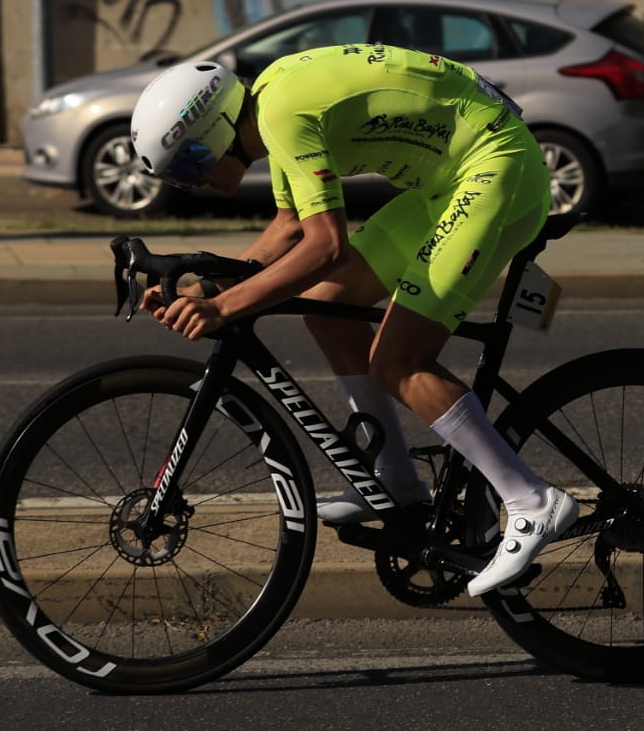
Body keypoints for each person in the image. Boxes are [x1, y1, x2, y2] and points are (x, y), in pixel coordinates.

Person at [128, 44, 577, 597]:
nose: (193, 182)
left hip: (495, 169)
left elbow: (326, 246)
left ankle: (532, 499)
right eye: (180, 177)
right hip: (448, 183)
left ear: (217, 129)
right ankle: (394, 478)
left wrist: (224, 308)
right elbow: (289, 229)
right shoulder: (270, 105)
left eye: (190, 164)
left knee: (399, 362)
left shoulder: (282, 114)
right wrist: (205, 286)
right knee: (329, 306)